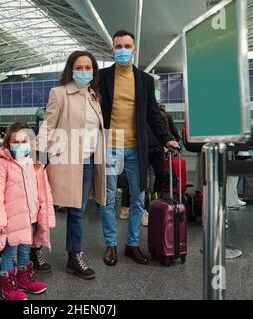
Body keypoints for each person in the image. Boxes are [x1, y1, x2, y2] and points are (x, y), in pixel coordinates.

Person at [99, 30, 179, 267]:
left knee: (138, 197)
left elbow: (153, 114)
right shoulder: (102, 77)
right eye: (118, 46)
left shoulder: (144, 80)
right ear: (113, 50)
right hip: (110, 146)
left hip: (136, 147)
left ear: (134, 49)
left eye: (127, 46)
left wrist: (166, 139)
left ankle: (132, 245)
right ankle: (111, 244)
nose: (122, 50)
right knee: (108, 198)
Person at [36, 50, 106, 279]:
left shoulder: (94, 96)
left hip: (86, 163)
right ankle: (33, 249)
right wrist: (38, 159)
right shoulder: (59, 93)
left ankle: (74, 257)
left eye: (88, 68)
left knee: (78, 211)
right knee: (48, 208)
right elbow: (48, 126)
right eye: (80, 67)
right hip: (62, 160)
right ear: (71, 69)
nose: (84, 71)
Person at [0, 122, 55, 300]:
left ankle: (24, 279)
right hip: (11, 221)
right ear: (8, 144)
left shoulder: (35, 166)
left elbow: (45, 193)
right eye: (15, 142)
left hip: (31, 218)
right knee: (9, 253)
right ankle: (8, 286)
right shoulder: (2, 165)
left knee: (26, 250)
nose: (20, 145)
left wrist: (46, 217)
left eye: (24, 141)